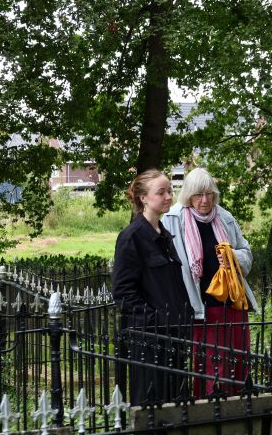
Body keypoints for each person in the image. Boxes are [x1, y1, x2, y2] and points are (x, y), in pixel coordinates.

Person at [162, 167, 259, 397]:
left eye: (209, 194)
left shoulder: (224, 217)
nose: (204, 200)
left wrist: (233, 256)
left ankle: (238, 404)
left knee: (238, 359)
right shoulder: (173, 219)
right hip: (203, 308)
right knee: (211, 365)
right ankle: (210, 407)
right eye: (198, 195)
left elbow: (247, 253)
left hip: (233, 304)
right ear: (188, 195)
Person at [112, 169, 192, 406]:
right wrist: (153, 320)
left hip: (174, 335)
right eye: (161, 192)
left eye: (170, 190)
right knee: (150, 404)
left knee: (174, 403)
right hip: (149, 338)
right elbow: (124, 292)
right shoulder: (132, 237)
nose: (169, 196)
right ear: (143, 198)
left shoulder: (165, 235)